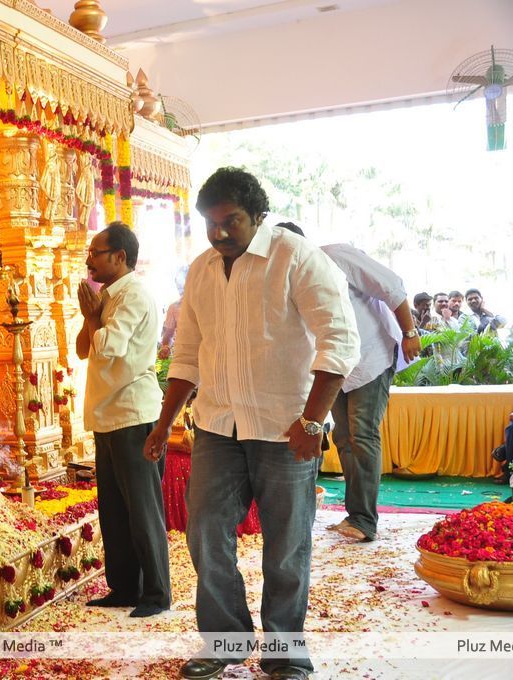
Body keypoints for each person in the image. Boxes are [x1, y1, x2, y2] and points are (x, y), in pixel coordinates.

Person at [143, 168, 358, 680]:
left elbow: (339, 340)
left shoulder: (296, 257)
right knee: (205, 532)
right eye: (210, 223)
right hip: (218, 425)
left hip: (285, 429)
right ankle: (224, 642)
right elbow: (188, 356)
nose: (219, 232)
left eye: (230, 220)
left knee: (286, 544)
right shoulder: (200, 270)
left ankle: (285, 652)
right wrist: (162, 422)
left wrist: (312, 421)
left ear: (257, 214)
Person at [278, 222, 421, 542]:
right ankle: (355, 514)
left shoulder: (337, 257)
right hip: (336, 368)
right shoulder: (286, 279)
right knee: (344, 438)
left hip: (371, 358)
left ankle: (364, 520)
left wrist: (410, 332)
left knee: (362, 434)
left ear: (298, 246)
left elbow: (392, 287)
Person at [76, 222, 170, 619]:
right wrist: (90, 318)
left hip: (133, 413)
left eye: (96, 252)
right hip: (107, 415)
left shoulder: (134, 295)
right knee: (114, 510)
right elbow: (84, 348)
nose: (88, 260)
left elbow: (111, 346)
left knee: (143, 510)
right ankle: (124, 587)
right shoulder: (106, 299)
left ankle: (156, 593)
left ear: (119, 257)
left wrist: (94, 318)